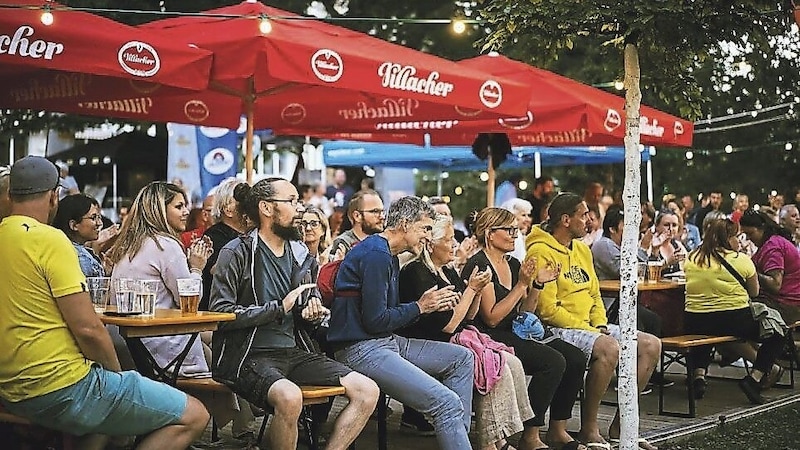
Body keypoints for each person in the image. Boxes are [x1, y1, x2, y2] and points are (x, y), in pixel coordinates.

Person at [0, 156, 209, 449]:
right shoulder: (50, 240)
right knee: (195, 415)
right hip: (60, 386)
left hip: (12, 390)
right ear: (53, 197)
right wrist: (117, 378)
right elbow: (88, 329)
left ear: (11, 195)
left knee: (106, 426)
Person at [210, 177, 379, 450]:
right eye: (290, 201)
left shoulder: (300, 253)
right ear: (266, 208)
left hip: (292, 352)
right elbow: (221, 314)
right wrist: (279, 308)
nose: (298, 208)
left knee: (367, 390)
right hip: (246, 355)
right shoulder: (236, 252)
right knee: (290, 397)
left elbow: (303, 305)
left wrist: (310, 311)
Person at [327, 196, 475, 450]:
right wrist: (421, 306)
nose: (429, 236)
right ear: (405, 224)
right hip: (361, 349)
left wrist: (424, 306)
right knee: (446, 403)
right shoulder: (377, 254)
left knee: (462, 358)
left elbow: (386, 318)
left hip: (384, 342)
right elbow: (375, 321)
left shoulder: (388, 254)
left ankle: (456, 440)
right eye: (425, 228)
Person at [526, 192, 661, 450]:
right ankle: (589, 428)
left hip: (589, 325)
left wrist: (599, 323)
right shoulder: (541, 251)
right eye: (583, 214)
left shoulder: (581, 249)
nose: (589, 220)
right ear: (566, 220)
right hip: (557, 328)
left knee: (650, 345)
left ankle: (623, 425)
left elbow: (594, 293)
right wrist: (593, 331)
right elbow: (547, 310)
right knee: (608, 347)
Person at [399, 213, 533, 450]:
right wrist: (471, 289)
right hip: (430, 343)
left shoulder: (447, 270)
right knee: (492, 364)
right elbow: (448, 326)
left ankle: (500, 437)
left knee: (509, 362)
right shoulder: (415, 272)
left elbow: (469, 316)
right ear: (430, 244)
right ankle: (489, 443)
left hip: (458, 338)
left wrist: (477, 290)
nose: (455, 245)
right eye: (449, 240)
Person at [464, 207, 587, 450]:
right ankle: (530, 435)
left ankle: (558, 429)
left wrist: (537, 284)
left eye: (516, 230)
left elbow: (525, 313)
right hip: (489, 337)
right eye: (509, 230)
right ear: (490, 234)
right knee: (552, 361)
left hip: (515, 329)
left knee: (575, 357)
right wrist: (521, 285)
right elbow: (491, 318)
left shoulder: (513, 263)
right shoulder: (479, 265)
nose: (515, 235)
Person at [683, 218, 786, 403]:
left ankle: (698, 377)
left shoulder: (692, 258)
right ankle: (754, 379)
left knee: (705, 333)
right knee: (778, 333)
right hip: (733, 319)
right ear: (728, 238)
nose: (739, 240)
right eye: (736, 236)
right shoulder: (741, 260)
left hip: (694, 319)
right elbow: (754, 292)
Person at [740, 209, 800, 325]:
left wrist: (751, 273)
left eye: (750, 233)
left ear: (762, 228)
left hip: (788, 305)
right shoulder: (771, 243)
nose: (748, 238)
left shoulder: (773, 247)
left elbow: (775, 284)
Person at [201, 178, 249, 311]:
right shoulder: (214, 236)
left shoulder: (252, 233)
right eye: (242, 199)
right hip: (221, 312)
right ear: (228, 210)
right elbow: (218, 270)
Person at [52, 194, 110, 277]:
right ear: (74, 225)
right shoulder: (80, 258)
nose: (99, 223)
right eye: (93, 218)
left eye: (99, 217)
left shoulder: (61, 249)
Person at [328, 189, 385, 260]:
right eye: (375, 211)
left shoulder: (384, 241)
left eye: (382, 211)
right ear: (357, 216)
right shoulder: (343, 243)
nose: (382, 217)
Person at [500, 197, 533, 262]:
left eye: (528, 215)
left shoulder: (519, 234)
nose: (528, 219)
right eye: (523, 215)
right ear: (513, 216)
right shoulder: (514, 235)